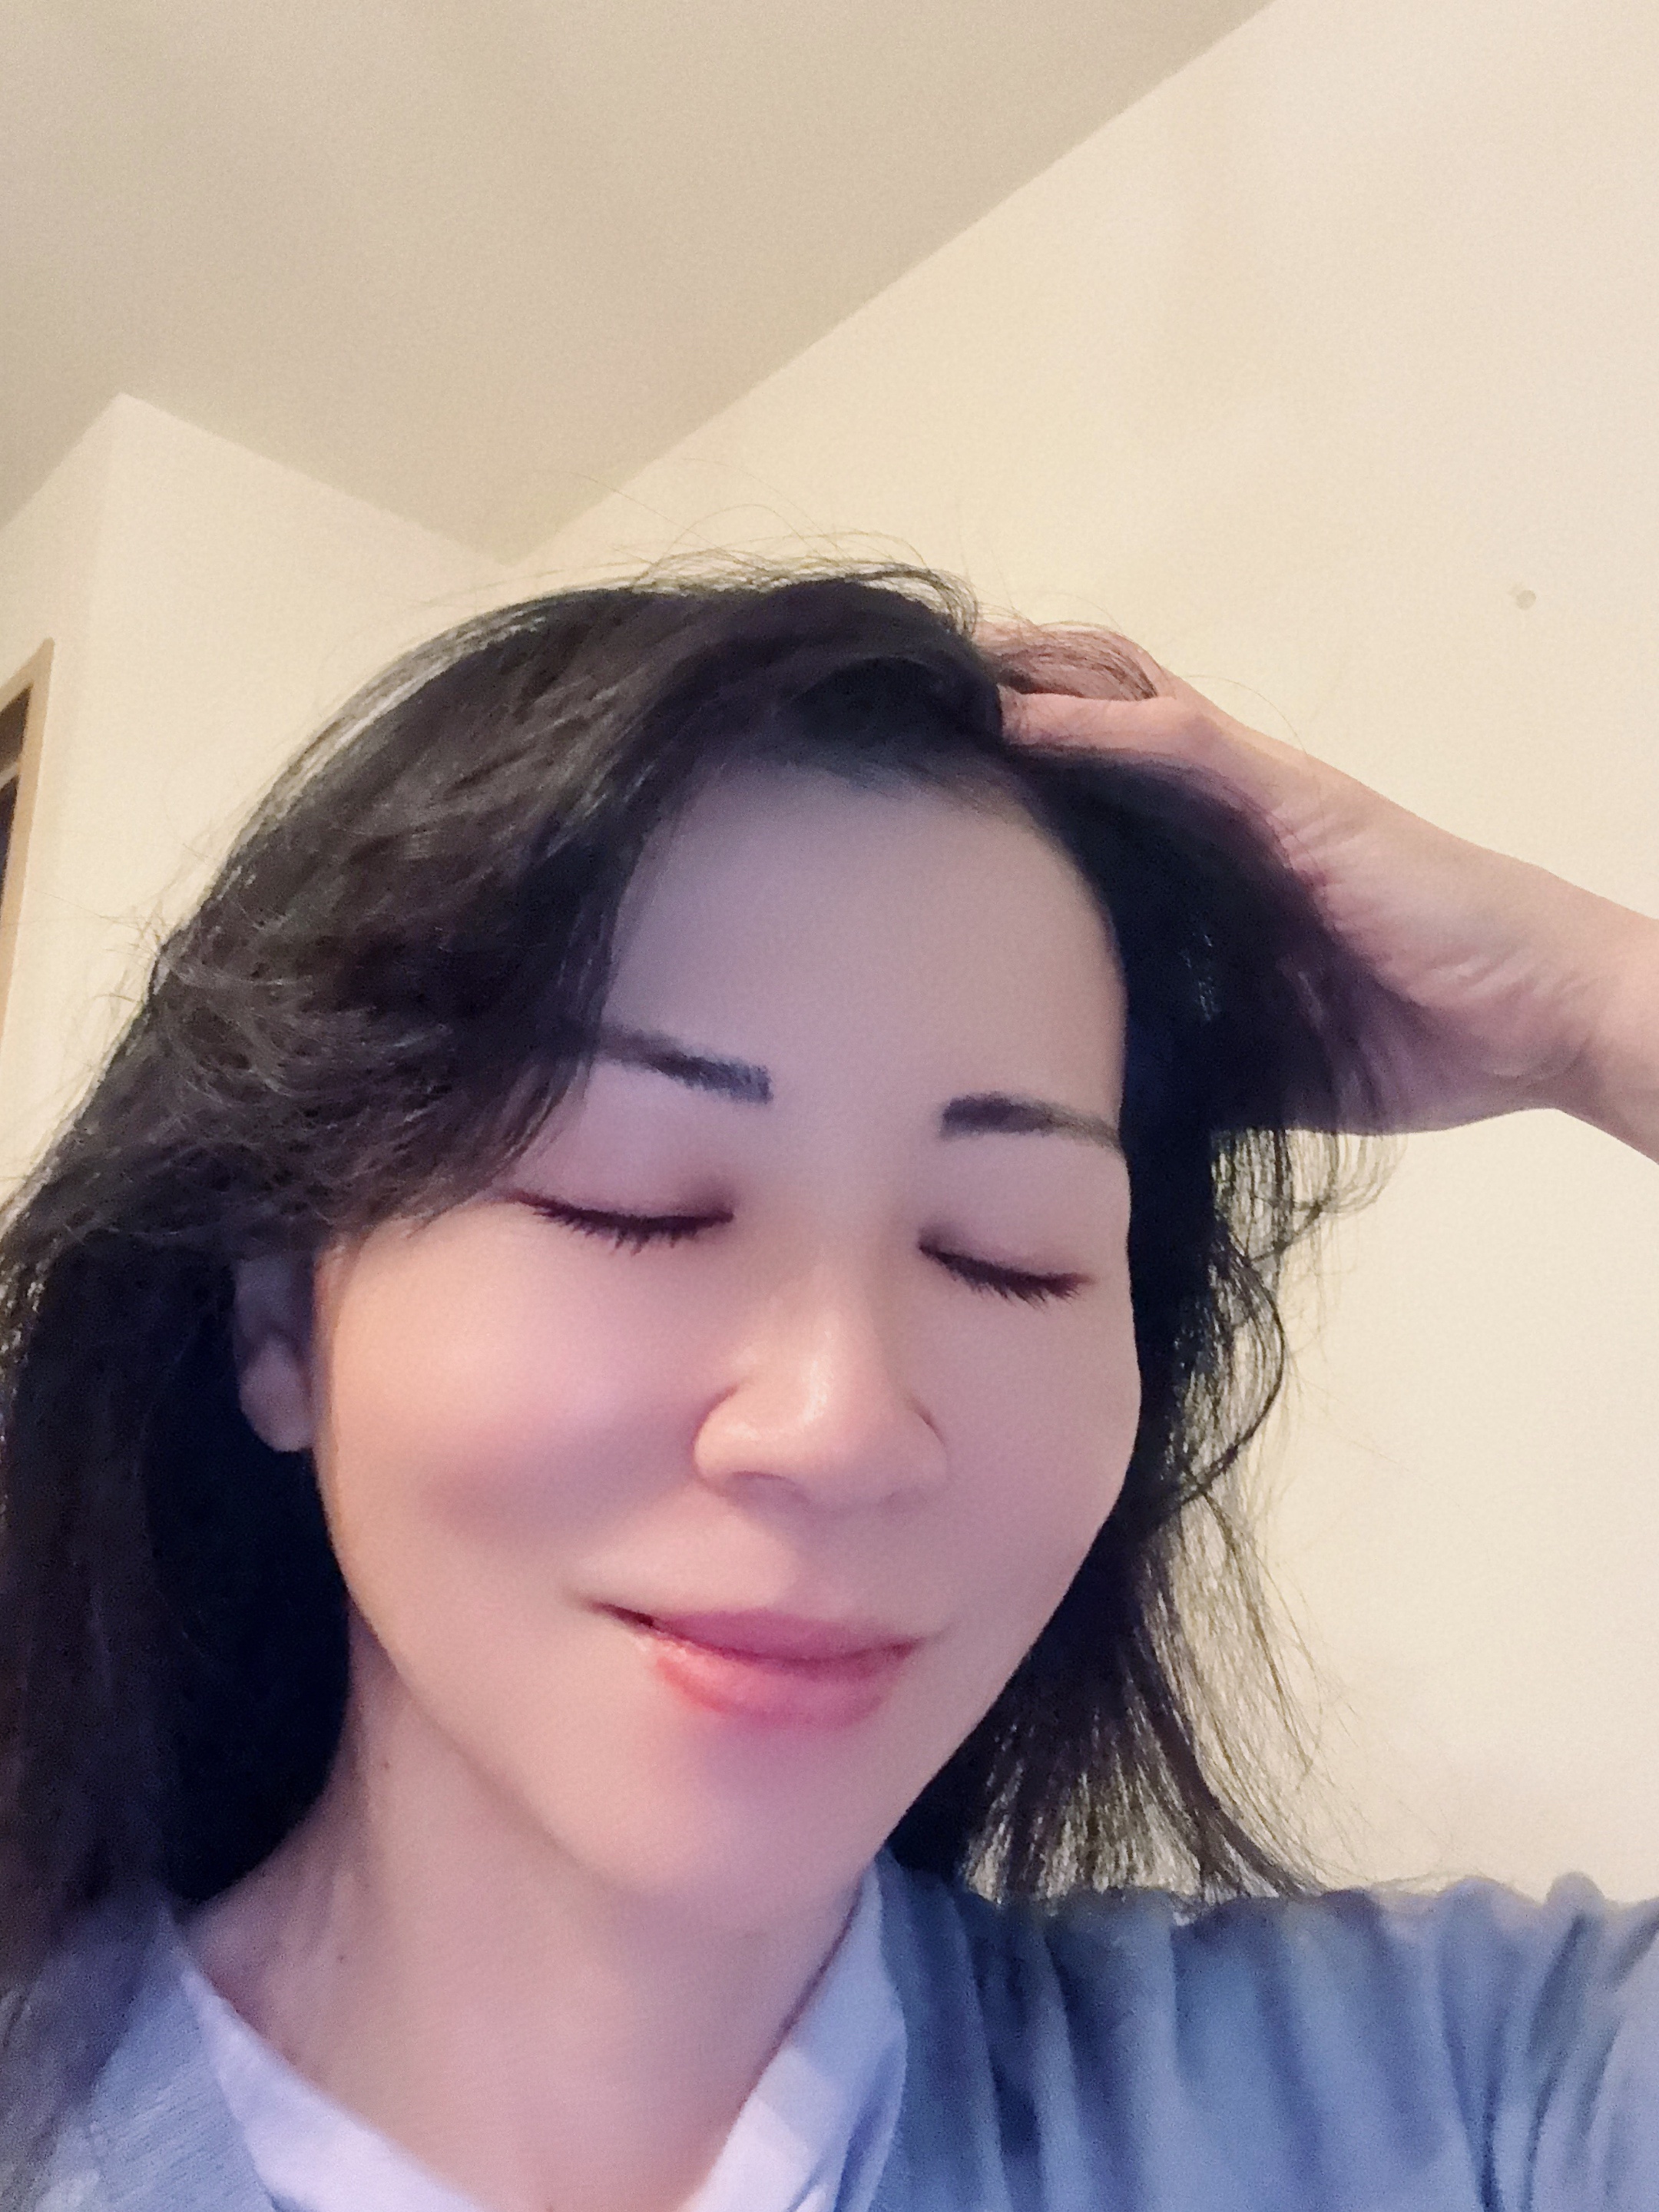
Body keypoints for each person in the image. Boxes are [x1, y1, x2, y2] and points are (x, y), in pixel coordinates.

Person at [0, 566, 1654, 2212]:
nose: (841, 1423)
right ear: (280, 1326)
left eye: (1007, 1255)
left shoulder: (1437, 2097)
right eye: (634, 1204)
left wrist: (1585, 1009)